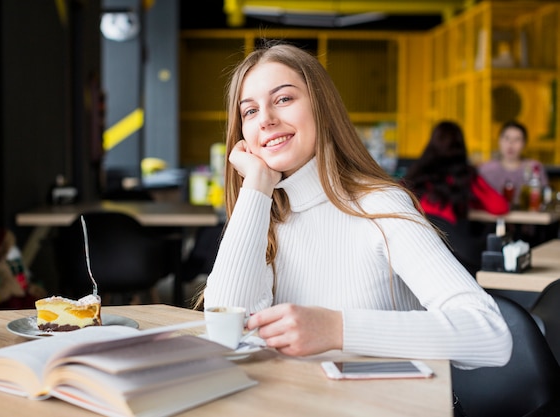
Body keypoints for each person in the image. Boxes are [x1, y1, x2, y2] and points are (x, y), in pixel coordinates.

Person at [198, 42, 512, 371]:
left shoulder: (379, 205)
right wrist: (257, 187)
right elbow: (226, 333)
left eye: (284, 99)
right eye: (249, 111)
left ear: (322, 107)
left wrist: (337, 329)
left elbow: (490, 334)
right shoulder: (263, 215)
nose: (265, 120)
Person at [402, 121, 510, 274]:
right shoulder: (463, 175)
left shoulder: (416, 174)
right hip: (452, 256)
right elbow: (500, 207)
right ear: (461, 146)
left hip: (413, 250)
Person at [478, 120, 549, 207]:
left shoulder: (534, 167)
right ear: (499, 141)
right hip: (489, 218)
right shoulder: (486, 169)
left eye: (517, 139)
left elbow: (545, 198)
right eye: (506, 138)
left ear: (524, 144)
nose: (511, 144)